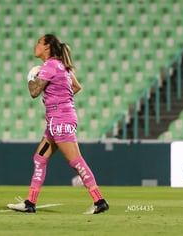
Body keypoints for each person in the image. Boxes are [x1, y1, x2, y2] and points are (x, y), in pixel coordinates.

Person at [7, 34, 109, 214]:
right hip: (58, 119)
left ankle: (99, 200)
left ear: (47, 47)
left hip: (60, 120)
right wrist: (57, 99)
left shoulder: (50, 66)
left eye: (39, 42)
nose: (35, 44)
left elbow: (34, 92)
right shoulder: (61, 65)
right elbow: (76, 87)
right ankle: (30, 203)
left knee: (76, 161)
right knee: (39, 159)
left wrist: (31, 76)